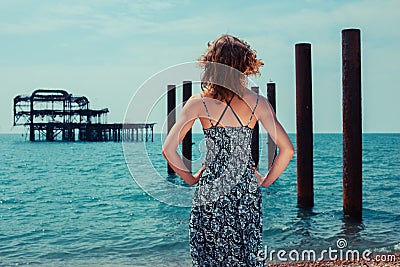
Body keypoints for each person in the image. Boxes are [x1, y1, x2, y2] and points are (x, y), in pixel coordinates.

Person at [162, 34, 294, 266]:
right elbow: (287, 150)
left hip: (210, 188)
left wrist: (192, 179)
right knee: (246, 253)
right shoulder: (258, 103)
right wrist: (265, 181)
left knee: (209, 256)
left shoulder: (198, 102)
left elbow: (168, 150)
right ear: (244, 65)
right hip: (245, 189)